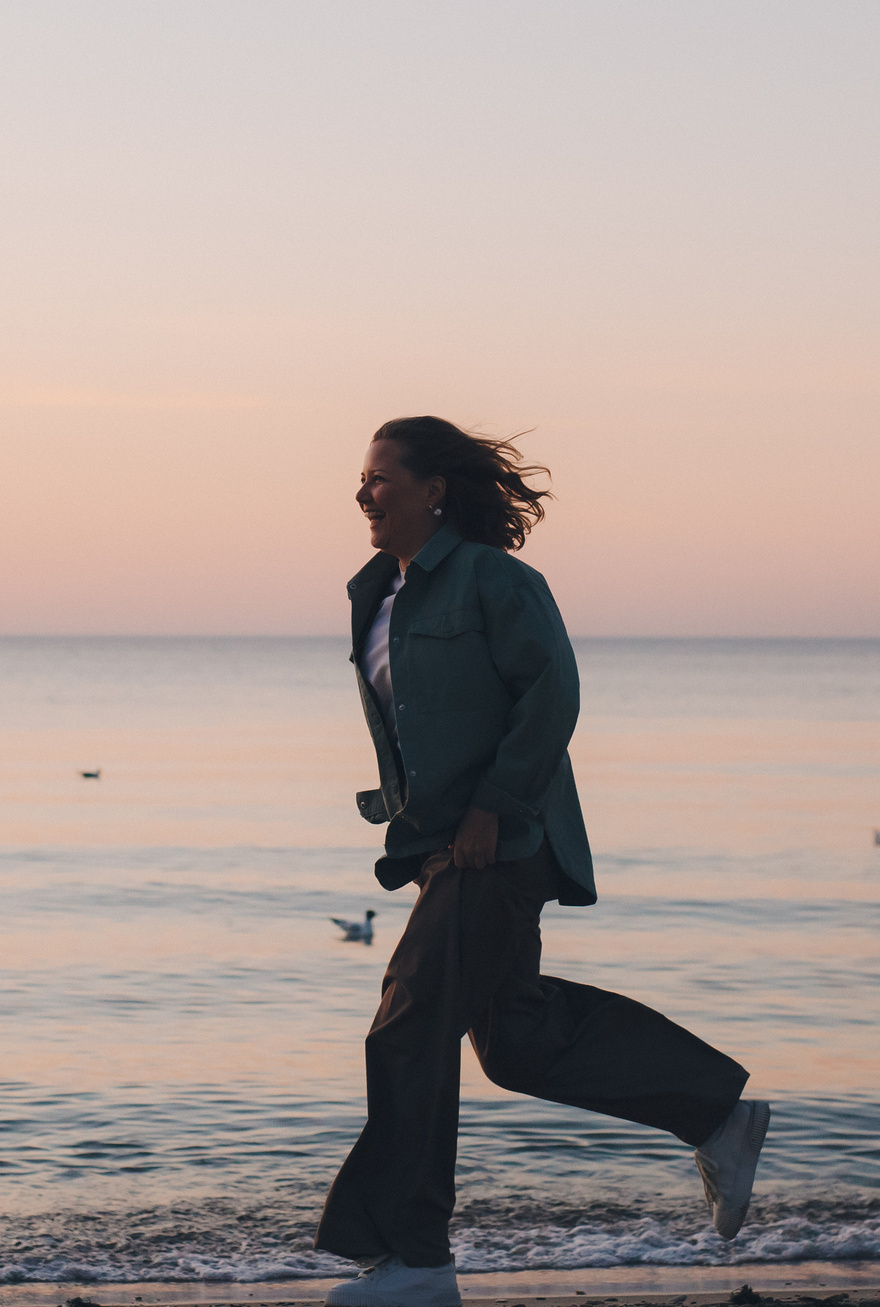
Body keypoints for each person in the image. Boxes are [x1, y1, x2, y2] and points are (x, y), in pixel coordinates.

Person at [316, 417, 770, 1307]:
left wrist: (496, 808)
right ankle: (715, 1110)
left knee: (407, 1026)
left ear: (433, 487)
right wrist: (421, 839)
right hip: (447, 853)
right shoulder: (380, 594)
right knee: (513, 1038)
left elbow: (552, 690)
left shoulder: (496, 581)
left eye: (379, 477)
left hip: (507, 843)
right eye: (360, 481)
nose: (362, 494)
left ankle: (417, 1260)